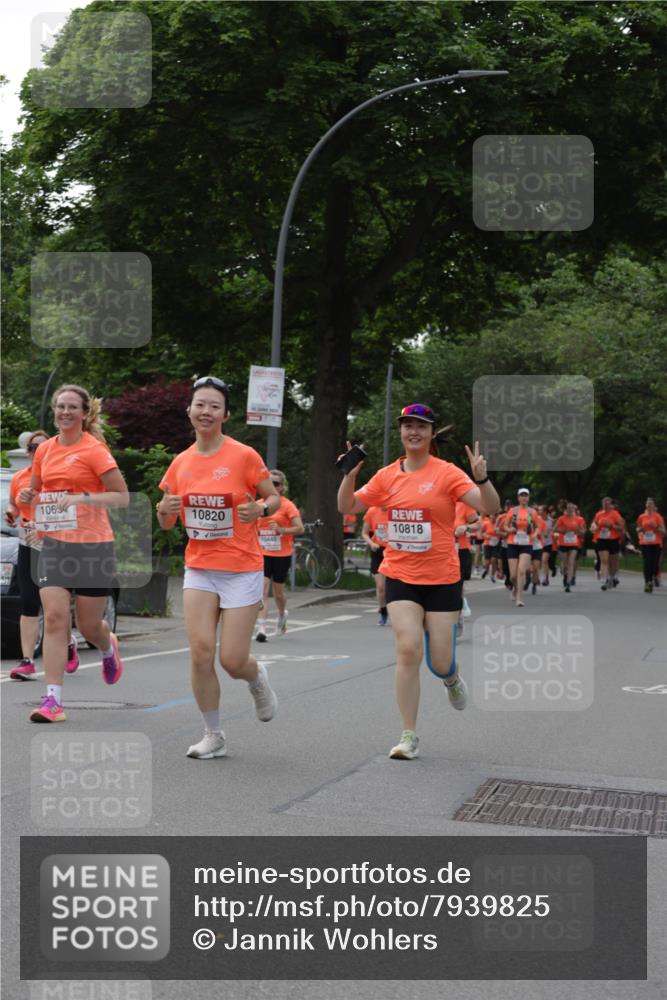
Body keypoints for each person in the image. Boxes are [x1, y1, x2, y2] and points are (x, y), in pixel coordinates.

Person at [338, 402, 499, 761]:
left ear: (430, 433)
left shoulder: (448, 473)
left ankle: (451, 679)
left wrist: (482, 478)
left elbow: (489, 507)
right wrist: (349, 473)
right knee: (408, 648)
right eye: (407, 425)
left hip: (442, 577)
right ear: (401, 432)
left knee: (440, 661)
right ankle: (408, 735)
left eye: (421, 426)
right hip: (400, 574)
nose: (414, 431)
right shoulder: (386, 476)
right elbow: (347, 506)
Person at [157, 376, 280, 760]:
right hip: (200, 566)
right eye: (200, 405)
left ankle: (256, 678)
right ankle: (213, 734)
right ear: (189, 411)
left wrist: (259, 509)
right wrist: (164, 510)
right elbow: (165, 519)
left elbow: (273, 498)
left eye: (214, 406)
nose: (205, 411)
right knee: (200, 651)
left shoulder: (243, 456)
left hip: (242, 567)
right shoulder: (181, 462)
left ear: (225, 415)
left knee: (232, 660)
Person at [19, 386, 128, 722]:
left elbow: (121, 497)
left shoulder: (94, 450)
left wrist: (83, 498)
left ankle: (107, 644)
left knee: (88, 624)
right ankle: (53, 700)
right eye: (60, 406)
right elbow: (36, 490)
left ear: (84, 414)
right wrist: (28, 494)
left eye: (72, 407)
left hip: (94, 545)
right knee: (54, 618)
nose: (64, 412)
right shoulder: (45, 450)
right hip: (55, 543)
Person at [5, 430, 75, 680]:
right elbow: (14, 505)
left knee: (56, 604)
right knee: (29, 600)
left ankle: (68, 643)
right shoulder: (20, 478)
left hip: (56, 545)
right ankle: (27, 660)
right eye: (34, 447)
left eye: (43, 447)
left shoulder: (59, 479)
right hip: (28, 541)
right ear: (28, 452)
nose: (38, 451)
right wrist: (12, 512)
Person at [255, 469, 303, 641]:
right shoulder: (259, 504)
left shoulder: (287, 505)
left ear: (282, 487)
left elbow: (300, 528)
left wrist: (282, 530)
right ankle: (261, 628)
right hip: (262, 553)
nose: (273, 486)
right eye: (270, 482)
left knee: (279, 593)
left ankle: (282, 614)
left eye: (276, 483)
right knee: (262, 590)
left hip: (282, 553)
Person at [499, 488, 538, 607]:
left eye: (526, 495)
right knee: (513, 576)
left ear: (529, 497)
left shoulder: (532, 512)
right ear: (518, 498)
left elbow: (536, 527)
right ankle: (515, 588)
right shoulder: (513, 511)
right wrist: (509, 529)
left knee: (521, 571)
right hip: (513, 543)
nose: (524, 498)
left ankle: (519, 597)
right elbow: (505, 526)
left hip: (526, 544)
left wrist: (534, 534)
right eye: (522, 495)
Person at [590, 496, 626, 591]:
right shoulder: (599, 514)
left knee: (613, 562)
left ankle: (611, 577)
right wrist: (593, 528)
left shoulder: (615, 514)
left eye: (608, 503)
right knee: (604, 560)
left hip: (613, 539)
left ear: (610, 505)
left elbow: (621, 527)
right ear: (602, 505)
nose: (606, 505)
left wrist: (611, 525)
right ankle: (605, 580)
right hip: (602, 539)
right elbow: (593, 525)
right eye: (604, 504)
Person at [361, 506, 388, 625]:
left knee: (392, 585)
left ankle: (394, 609)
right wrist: (371, 543)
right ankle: (383, 611)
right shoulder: (372, 511)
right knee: (381, 586)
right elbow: (364, 533)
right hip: (377, 550)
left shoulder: (397, 509)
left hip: (394, 551)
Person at [554, 502, 587, 592]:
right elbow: (555, 529)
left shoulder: (579, 519)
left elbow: (584, 531)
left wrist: (579, 530)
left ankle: (568, 583)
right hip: (563, 543)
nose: (570, 510)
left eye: (572, 508)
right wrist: (563, 530)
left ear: (574, 510)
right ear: (566, 509)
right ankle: (565, 576)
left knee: (571, 562)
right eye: (568, 508)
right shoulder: (561, 518)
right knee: (564, 565)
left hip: (574, 543)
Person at [636, 498, 665, 593]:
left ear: (653, 506)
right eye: (647, 504)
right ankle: (648, 582)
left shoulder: (658, 517)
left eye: (651, 504)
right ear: (645, 505)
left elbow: (664, 532)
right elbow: (638, 528)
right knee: (647, 562)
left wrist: (655, 527)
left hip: (656, 543)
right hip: (645, 543)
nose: (649, 505)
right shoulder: (641, 517)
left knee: (655, 564)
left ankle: (654, 577)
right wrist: (640, 530)